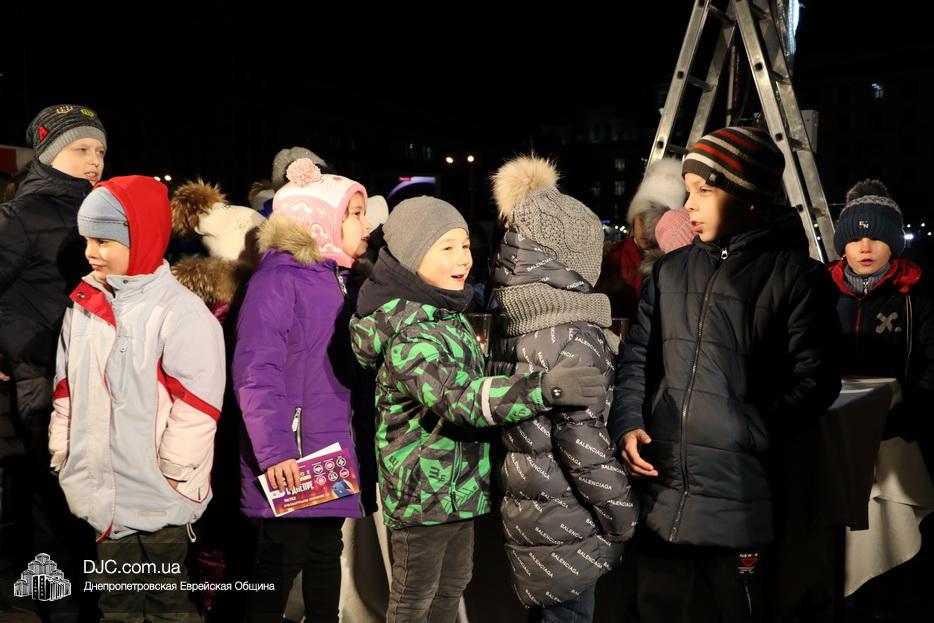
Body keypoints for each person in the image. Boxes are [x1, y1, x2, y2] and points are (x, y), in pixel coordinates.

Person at [610, 126, 842, 622]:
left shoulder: (797, 277)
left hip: (742, 494)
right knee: (656, 607)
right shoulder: (669, 272)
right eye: (687, 191)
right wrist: (629, 421)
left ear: (749, 196)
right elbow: (637, 359)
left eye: (705, 191)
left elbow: (817, 379)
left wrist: (752, 429)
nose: (688, 205)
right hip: (663, 485)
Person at [350, 196, 605, 622]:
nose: (462, 258)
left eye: (465, 245)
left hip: (461, 492)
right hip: (422, 499)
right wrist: (542, 389)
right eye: (446, 247)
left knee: (453, 586)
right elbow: (459, 398)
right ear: (411, 257)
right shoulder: (410, 334)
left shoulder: (448, 316)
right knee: (414, 598)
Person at [49, 175, 225, 620]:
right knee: (116, 602)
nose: (91, 252)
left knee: (166, 600)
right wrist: (62, 450)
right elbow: (66, 385)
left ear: (141, 238)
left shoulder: (180, 312)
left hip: (158, 490)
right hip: (102, 489)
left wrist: (174, 472)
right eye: (87, 240)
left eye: (104, 241)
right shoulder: (84, 304)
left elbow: (199, 402)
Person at [490, 156, 638, 621]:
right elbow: (582, 440)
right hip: (569, 519)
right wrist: (622, 514)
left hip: (529, 512)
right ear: (575, 259)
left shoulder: (518, 320)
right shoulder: (576, 333)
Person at [233, 158, 376, 622]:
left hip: (329, 452)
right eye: (355, 214)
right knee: (280, 558)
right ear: (320, 221)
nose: (367, 224)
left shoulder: (343, 281)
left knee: (324, 552)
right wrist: (275, 452)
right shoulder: (278, 280)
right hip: (290, 455)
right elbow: (256, 371)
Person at [0, 104, 107, 621]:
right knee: (54, 498)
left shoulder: (102, 214)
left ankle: (84, 599)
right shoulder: (20, 217)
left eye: (100, 150)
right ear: (47, 155)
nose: (94, 160)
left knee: (84, 497)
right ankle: (57, 606)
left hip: (97, 375)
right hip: (42, 376)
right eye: (80, 148)